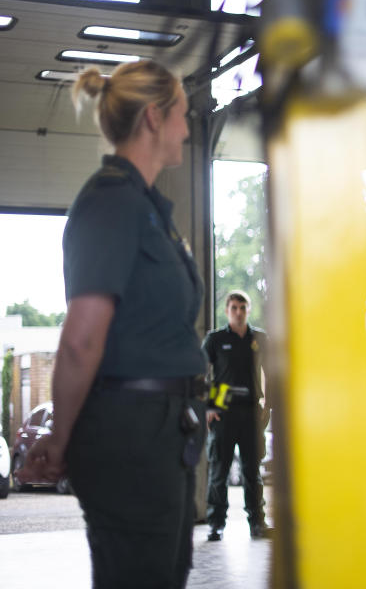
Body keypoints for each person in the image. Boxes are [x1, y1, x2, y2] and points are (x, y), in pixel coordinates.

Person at [19, 61, 207, 588]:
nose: (188, 130)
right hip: (130, 438)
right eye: (182, 117)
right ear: (153, 117)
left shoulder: (148, 208)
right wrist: (60, 435)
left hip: (162, 436)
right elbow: (81, 341)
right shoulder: (109, 201)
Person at [202, 290, 271, 541]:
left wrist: (269, 406)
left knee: (252, 471)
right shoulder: (216, 340)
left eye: (243, 307)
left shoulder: (260, 339)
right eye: (234, 308)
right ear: (227, 311)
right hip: (223, 415)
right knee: (219, 471)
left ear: (248, 310)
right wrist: (208, 407)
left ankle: (257, 523)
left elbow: (273, 373)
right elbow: (200, 373)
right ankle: (216, 524)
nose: (238, 312)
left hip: (252, 414)